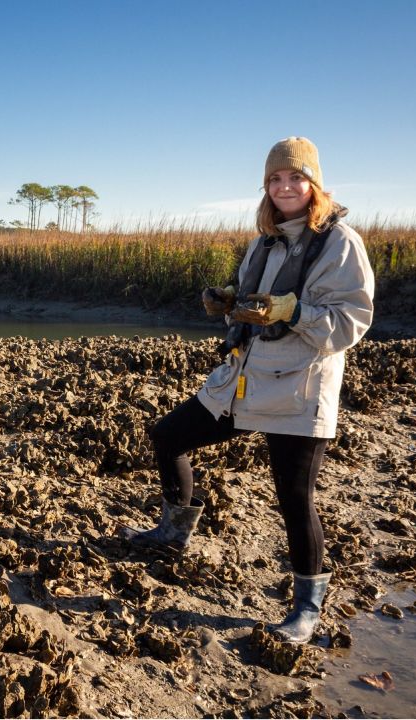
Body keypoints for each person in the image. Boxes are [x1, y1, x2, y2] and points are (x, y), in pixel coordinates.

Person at [120, 137, 375, 644]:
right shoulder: (263, 241)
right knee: (168, 436)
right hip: (243, 379)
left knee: (294, 498)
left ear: (314, 185)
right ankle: (173, 535)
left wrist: (293, 312)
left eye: (295, 178)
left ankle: (306, 607)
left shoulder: (341, 242)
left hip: (300, 389)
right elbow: (256, 303)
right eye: (275, 180)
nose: (285, 187)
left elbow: (351, 322)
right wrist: (230, 302)